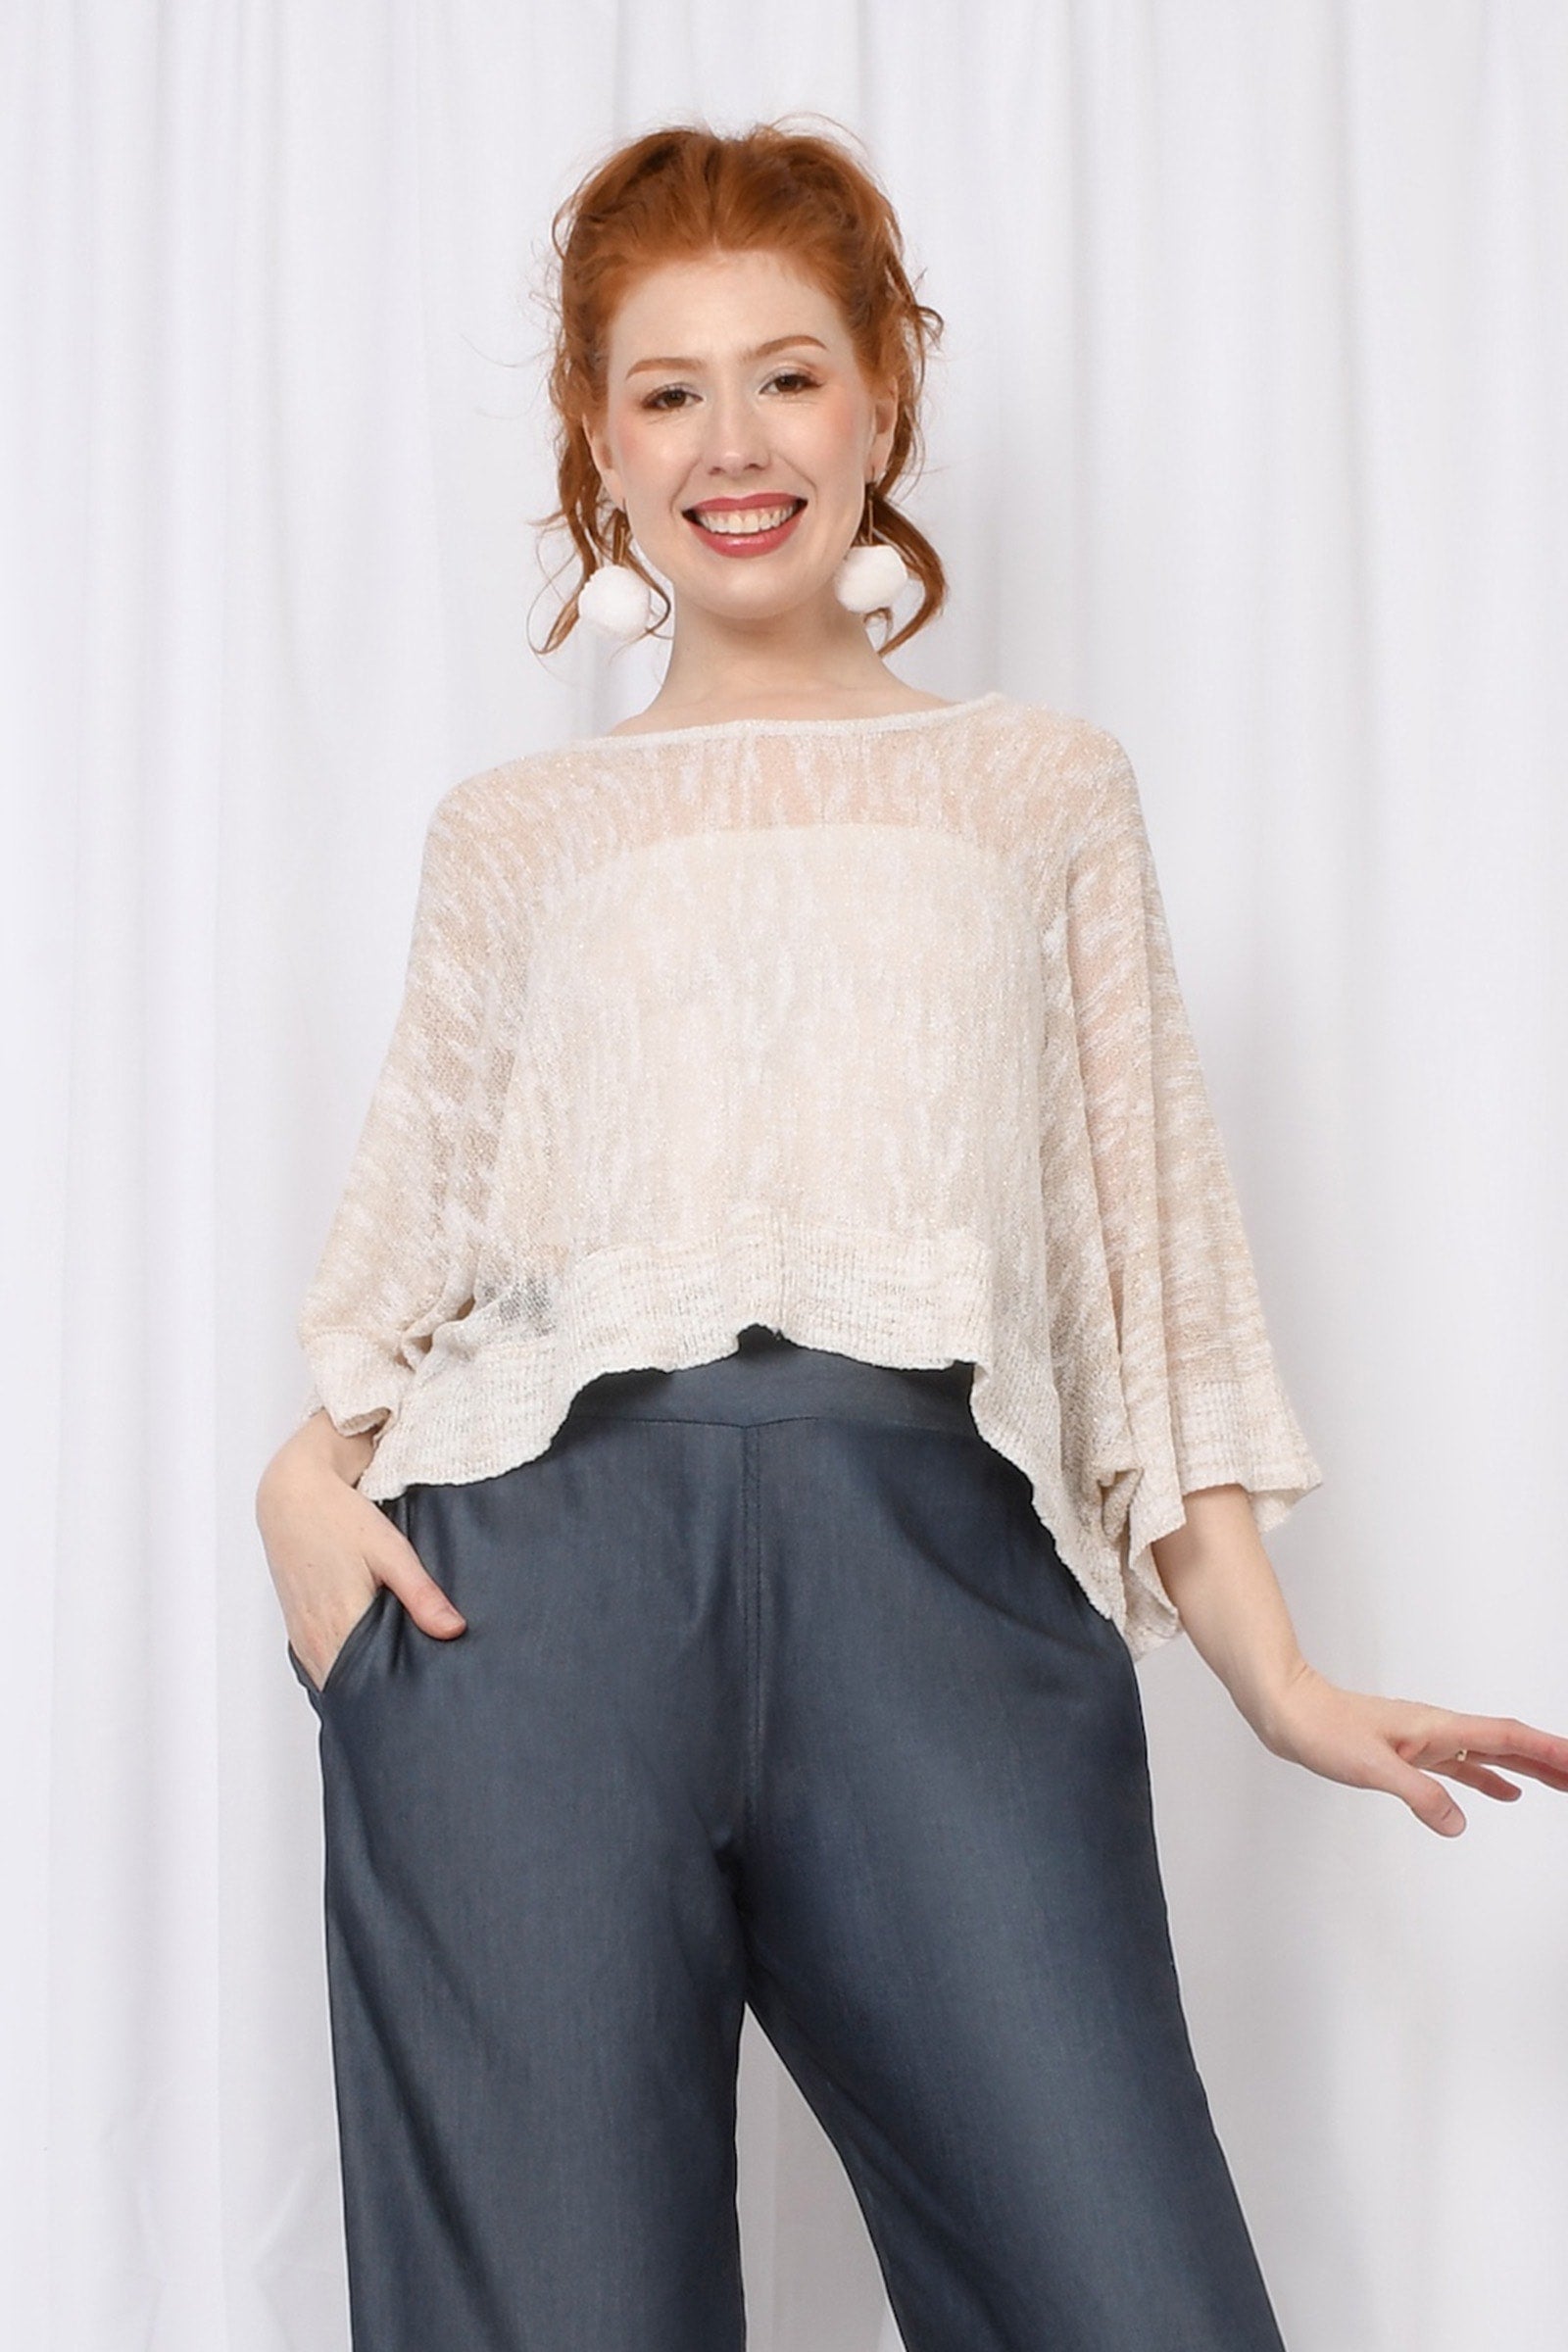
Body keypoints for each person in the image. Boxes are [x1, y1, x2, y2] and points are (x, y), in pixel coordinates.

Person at [254, 118, 1568, 2352]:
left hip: (938, 1583)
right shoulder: (516, 835)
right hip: (528, 1611)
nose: (732, 444)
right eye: (667, 391)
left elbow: (1146, 1257)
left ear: (881, 398)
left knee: (1126, 2298)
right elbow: (412, 1263)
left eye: (787, 376)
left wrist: (1275, 1678)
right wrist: (302, 1492)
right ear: (597, 439)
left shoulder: (1036, 791)